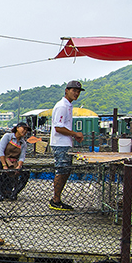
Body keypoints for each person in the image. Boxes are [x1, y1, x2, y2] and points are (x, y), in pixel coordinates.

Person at [49, 80, 86, 211]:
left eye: (78, 92)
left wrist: (73, 135)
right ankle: (55, 199)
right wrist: (75, 133)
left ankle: (57, 198)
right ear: (66, 91)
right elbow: (58, 127)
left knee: (65, 170)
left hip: (65, 143)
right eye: (74, 91)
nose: (76, 93)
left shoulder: (68, 106)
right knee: (61, 170)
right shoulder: (62, 106)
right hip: (60, 144)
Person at [0, 121, 33, 201]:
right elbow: (0, 151)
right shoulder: (8, 136)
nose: (25, 131)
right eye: (23, 129)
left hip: (13, 162)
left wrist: (19, 166)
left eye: (26, 130)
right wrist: (4, 165)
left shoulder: (23, 143)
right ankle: (0, 193)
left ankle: (14, 193)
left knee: (25, 172)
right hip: (2, 159)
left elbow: (22, 157)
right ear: (17, 128)